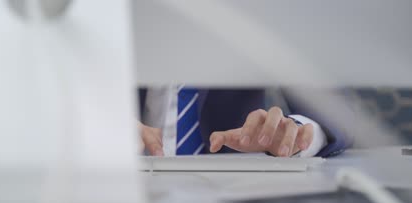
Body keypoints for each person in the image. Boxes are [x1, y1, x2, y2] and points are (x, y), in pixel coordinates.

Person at [138, 86, 352, 158]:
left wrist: (298, 134)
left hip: (236, 196)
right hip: (122, 183)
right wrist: (106, 124)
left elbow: (337, 112)